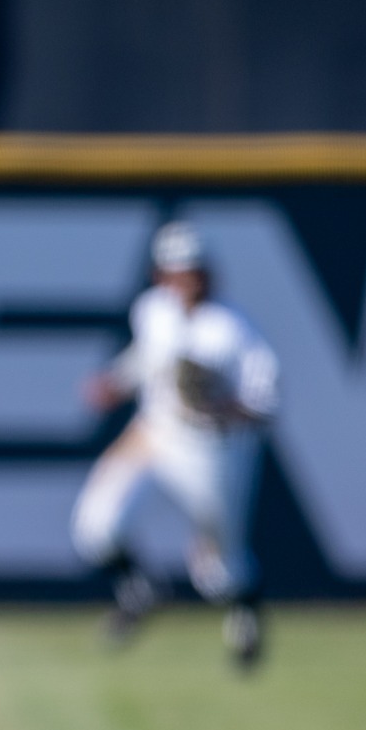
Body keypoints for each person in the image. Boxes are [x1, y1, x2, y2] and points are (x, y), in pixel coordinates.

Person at [71, 220, 280, 668]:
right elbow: (147, 357)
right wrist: (115, 381)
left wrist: (221, 406)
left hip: (212, 453)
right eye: (179, 271)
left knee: (217, 571)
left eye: (196, 270)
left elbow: (267, 404)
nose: (189, 280)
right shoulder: (153, 310)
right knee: (95, 525)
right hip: (155, 435)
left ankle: (244, 618)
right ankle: (139, 591)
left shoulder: (233, 330)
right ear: (161, 275)